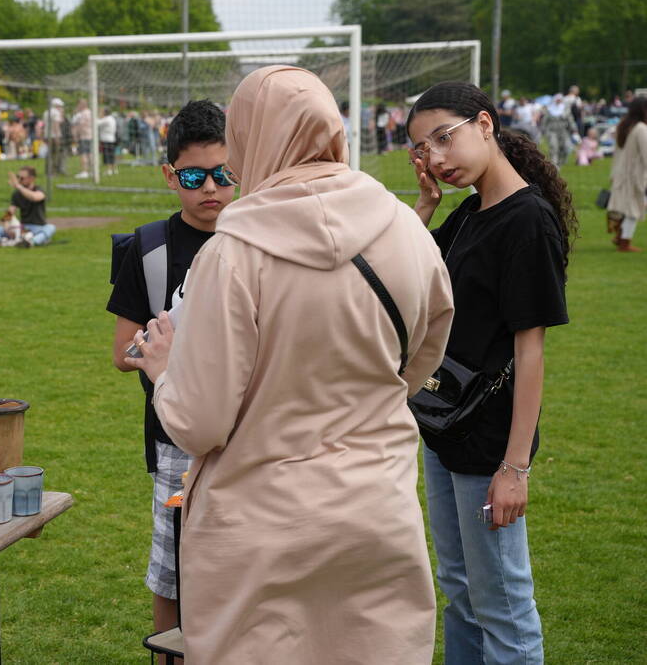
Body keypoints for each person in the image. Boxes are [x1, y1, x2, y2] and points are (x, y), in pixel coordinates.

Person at [128, 67, 453, 664]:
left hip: (262, 524)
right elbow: (420, 356)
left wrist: (164, 370)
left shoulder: (233, 253)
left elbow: (199, 421)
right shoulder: (407, 228)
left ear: (251, 137)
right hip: (375, 505)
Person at [407, 81, 575, 664]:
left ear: (485, 125)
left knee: (502, 602)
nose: (436, 157)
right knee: (461, 593)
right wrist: (425, 204)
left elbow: (532, 352)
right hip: (443, 428)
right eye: (423, 149)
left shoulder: (528, 220)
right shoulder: (470, 214)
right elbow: (402, 276)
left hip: (490, 446)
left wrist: (515, 466)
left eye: (444, 138)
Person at [106, 99, 237, 649]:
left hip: (247, 435)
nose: (211, 187)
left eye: (223, 173)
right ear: (169, 175)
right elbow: (123, 352)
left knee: (242, 561)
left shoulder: (257, 238)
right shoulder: (149, 248)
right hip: (176, 437)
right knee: (172, 565)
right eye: (193, 175)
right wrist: (166, 344)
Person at [606, 97, 647, 252]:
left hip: (620, 173)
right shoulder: (641, 128)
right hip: (634, 175)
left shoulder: (623, 125)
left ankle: (619, 237)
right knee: (632, 210)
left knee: (624, 207)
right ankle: (624, 243)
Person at [0, 166, 54, 247]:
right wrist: (6, 225)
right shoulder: (17, 194)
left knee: (50, 227)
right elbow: (10, 211)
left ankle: (31, 242)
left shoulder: (39, 189)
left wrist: (18, 186)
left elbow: (35, 197)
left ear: (31, 179)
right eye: (17, 177)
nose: (18, 180)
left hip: (37, 227)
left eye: (22, 178)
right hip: (22, 227)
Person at [540, 94, 577, 168]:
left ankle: (561, 162)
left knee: (566, 147)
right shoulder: (549, 110)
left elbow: (571, 120)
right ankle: (554, 164)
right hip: (552, 131)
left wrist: (574, 129)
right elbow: (544, 121)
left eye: (560, 99)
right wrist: (542, 131)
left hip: (563, 131)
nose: (558, 101)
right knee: (554, 147)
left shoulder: (566, 109)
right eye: (557, 99)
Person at [72, 99, 93, 178]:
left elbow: (80, 125)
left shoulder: (82, 114)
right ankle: (91, 171)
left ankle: (84, 171)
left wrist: (76, 135)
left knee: (83, 154)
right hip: (91, 136)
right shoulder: (90, 112)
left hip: (84, 136)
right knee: (90, 154)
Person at [97, 107, 118, 176]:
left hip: (106, 139)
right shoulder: (112, 118)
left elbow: (97, 123)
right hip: (112, 139)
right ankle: (114, 169)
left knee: (107, 156)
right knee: (112, 155)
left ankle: (109, 170)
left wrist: (99, 116)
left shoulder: (106, 119)